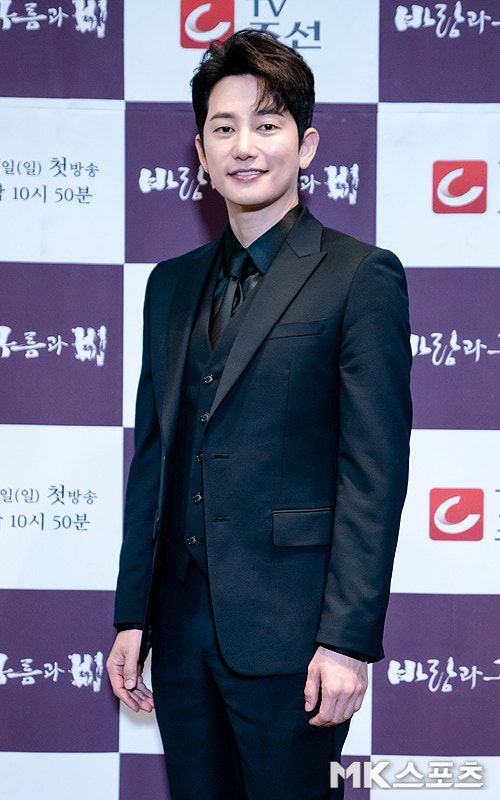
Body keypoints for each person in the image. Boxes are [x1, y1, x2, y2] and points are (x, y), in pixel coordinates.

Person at [106, 28, 412, 800]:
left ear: (305, 146)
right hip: (179, 632)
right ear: (200, 153)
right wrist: (132, 615)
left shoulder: (359, 277)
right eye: (224, 127)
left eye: (267, 124)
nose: (245, 146)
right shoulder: (169, 286)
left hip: (295, 638)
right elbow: (155, 459)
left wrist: (347, 640)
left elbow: (373, 473)